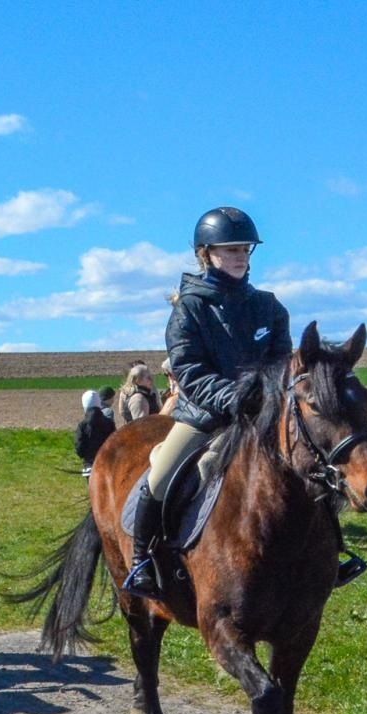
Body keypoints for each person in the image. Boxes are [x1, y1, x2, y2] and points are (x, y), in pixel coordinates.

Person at [122, 206, 293, 599]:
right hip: (204, 417)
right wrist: (234, 399)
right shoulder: (190, 307)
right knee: (160, 476)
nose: (239, 256)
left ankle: (327, 554)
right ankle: (142, 560)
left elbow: (280, 360)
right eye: (229, 249)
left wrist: (266, 399)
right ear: (206, 254)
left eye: (245, 249)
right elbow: (189, 368)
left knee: (309, 468)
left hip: (262, 415)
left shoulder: (269, 306)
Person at [72, 389, 116, 475]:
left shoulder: (82, 425)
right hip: (106, 465)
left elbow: (79, 447)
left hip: (89, 466)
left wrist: (85, 456)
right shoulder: (109, 423)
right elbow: (114, 443)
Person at [116, 361, 161, 426]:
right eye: (148, 377)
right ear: (137, 380)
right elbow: (142, 427)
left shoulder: (146, 390)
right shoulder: (138, 398)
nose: (152, 379)